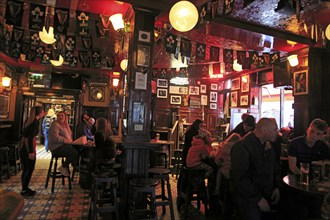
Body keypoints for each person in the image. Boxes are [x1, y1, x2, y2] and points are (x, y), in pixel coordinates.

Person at [230, 118, 280, 220]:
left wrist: (276, 187)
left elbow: (275, 168)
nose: (277, 133)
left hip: (266, 193)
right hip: (247, 198)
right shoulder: (242, 146)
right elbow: (240, 177)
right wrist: (257, 198)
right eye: (275, 130)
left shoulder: (268, 145)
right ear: (263, 130)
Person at [20, 106, 45, 196]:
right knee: (29, 169)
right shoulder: (34, 123)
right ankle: (24, 189)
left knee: (25, 169)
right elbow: (29, 138)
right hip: (28, 148)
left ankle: (24, 188)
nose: (43, 113)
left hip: (23, 147)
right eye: (43, 111)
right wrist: (31, 152)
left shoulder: (29, 120)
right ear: (40, 112)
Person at [48, 111, 79, 177]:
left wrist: (67, 125)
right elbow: (55, 137)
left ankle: (71, 167)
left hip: (63, 146)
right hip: (56, 147)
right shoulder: (55, 124)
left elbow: (69, 135)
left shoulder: (65, 125)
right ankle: (64, 167)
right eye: (58, 116)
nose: (60, 117)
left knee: (77, 149)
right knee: (75, 153)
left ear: (65, 117)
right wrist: (66, 140)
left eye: (62, 115)